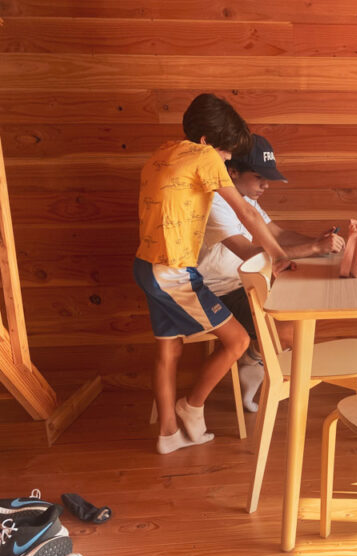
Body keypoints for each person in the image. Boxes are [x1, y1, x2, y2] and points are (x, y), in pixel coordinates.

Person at [133, 94, 293, 455]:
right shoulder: (205, 157)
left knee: (169, 348)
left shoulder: (162, 152)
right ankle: (191, 407)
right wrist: (278, 255)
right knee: (237, 340)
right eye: (225, 152)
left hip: (146, 264)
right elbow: (248, 214)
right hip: (172, 271)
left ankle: (168, 434)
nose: (226, 160)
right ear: (206, 142)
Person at [197, 134, 345, 411]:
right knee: (291, 332)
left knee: (302, 310)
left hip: (244, 284)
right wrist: (314, 248)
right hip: (216, 292)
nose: (266, 185)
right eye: (258, 177)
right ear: (233, 171)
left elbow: (277, 235)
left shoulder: (246, 199)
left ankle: (253, 359)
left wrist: (318, 243)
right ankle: (256, 363)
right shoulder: (214, 202)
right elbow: (252, 253)